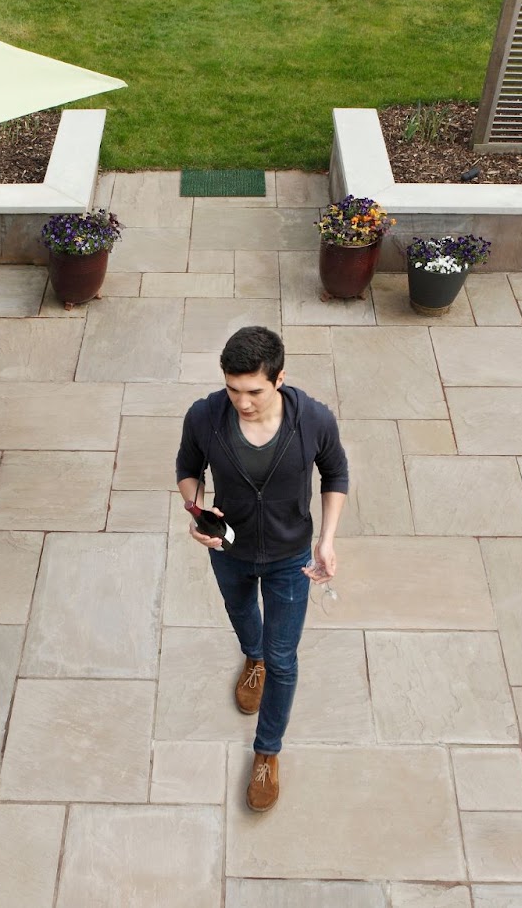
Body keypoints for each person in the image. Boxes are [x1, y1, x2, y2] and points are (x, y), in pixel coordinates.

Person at [175, 325, 348, 812]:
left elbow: (336, 473)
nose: (242, 402)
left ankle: (267, 752)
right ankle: (252, 660)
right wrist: (197, 510)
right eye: (233, 389)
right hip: (228, 549)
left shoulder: (312, 419)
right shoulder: (206, 416)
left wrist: (327, 540)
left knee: (285, 657)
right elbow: (188, 467)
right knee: (241, 616)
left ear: (279, 379)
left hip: (290, 556)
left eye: (253, 391)